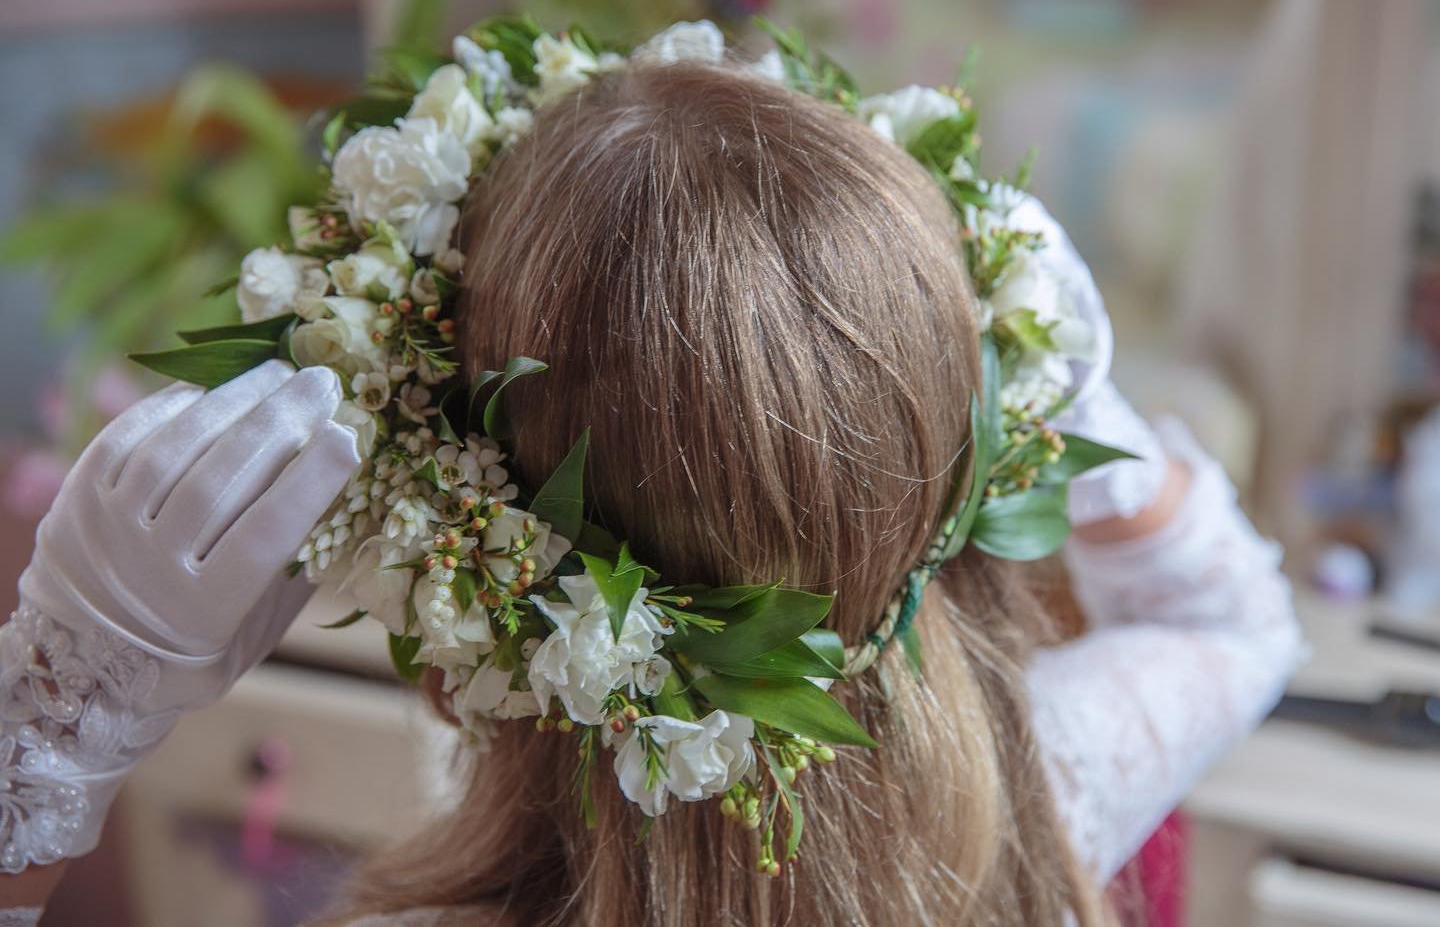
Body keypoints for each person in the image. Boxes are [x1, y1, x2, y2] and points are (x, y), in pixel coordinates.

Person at [0, 50, 1301, 927]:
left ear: (457, 593)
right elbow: (1233, 624)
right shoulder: (1049, 789)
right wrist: (1086, 409)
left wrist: (56, 731)